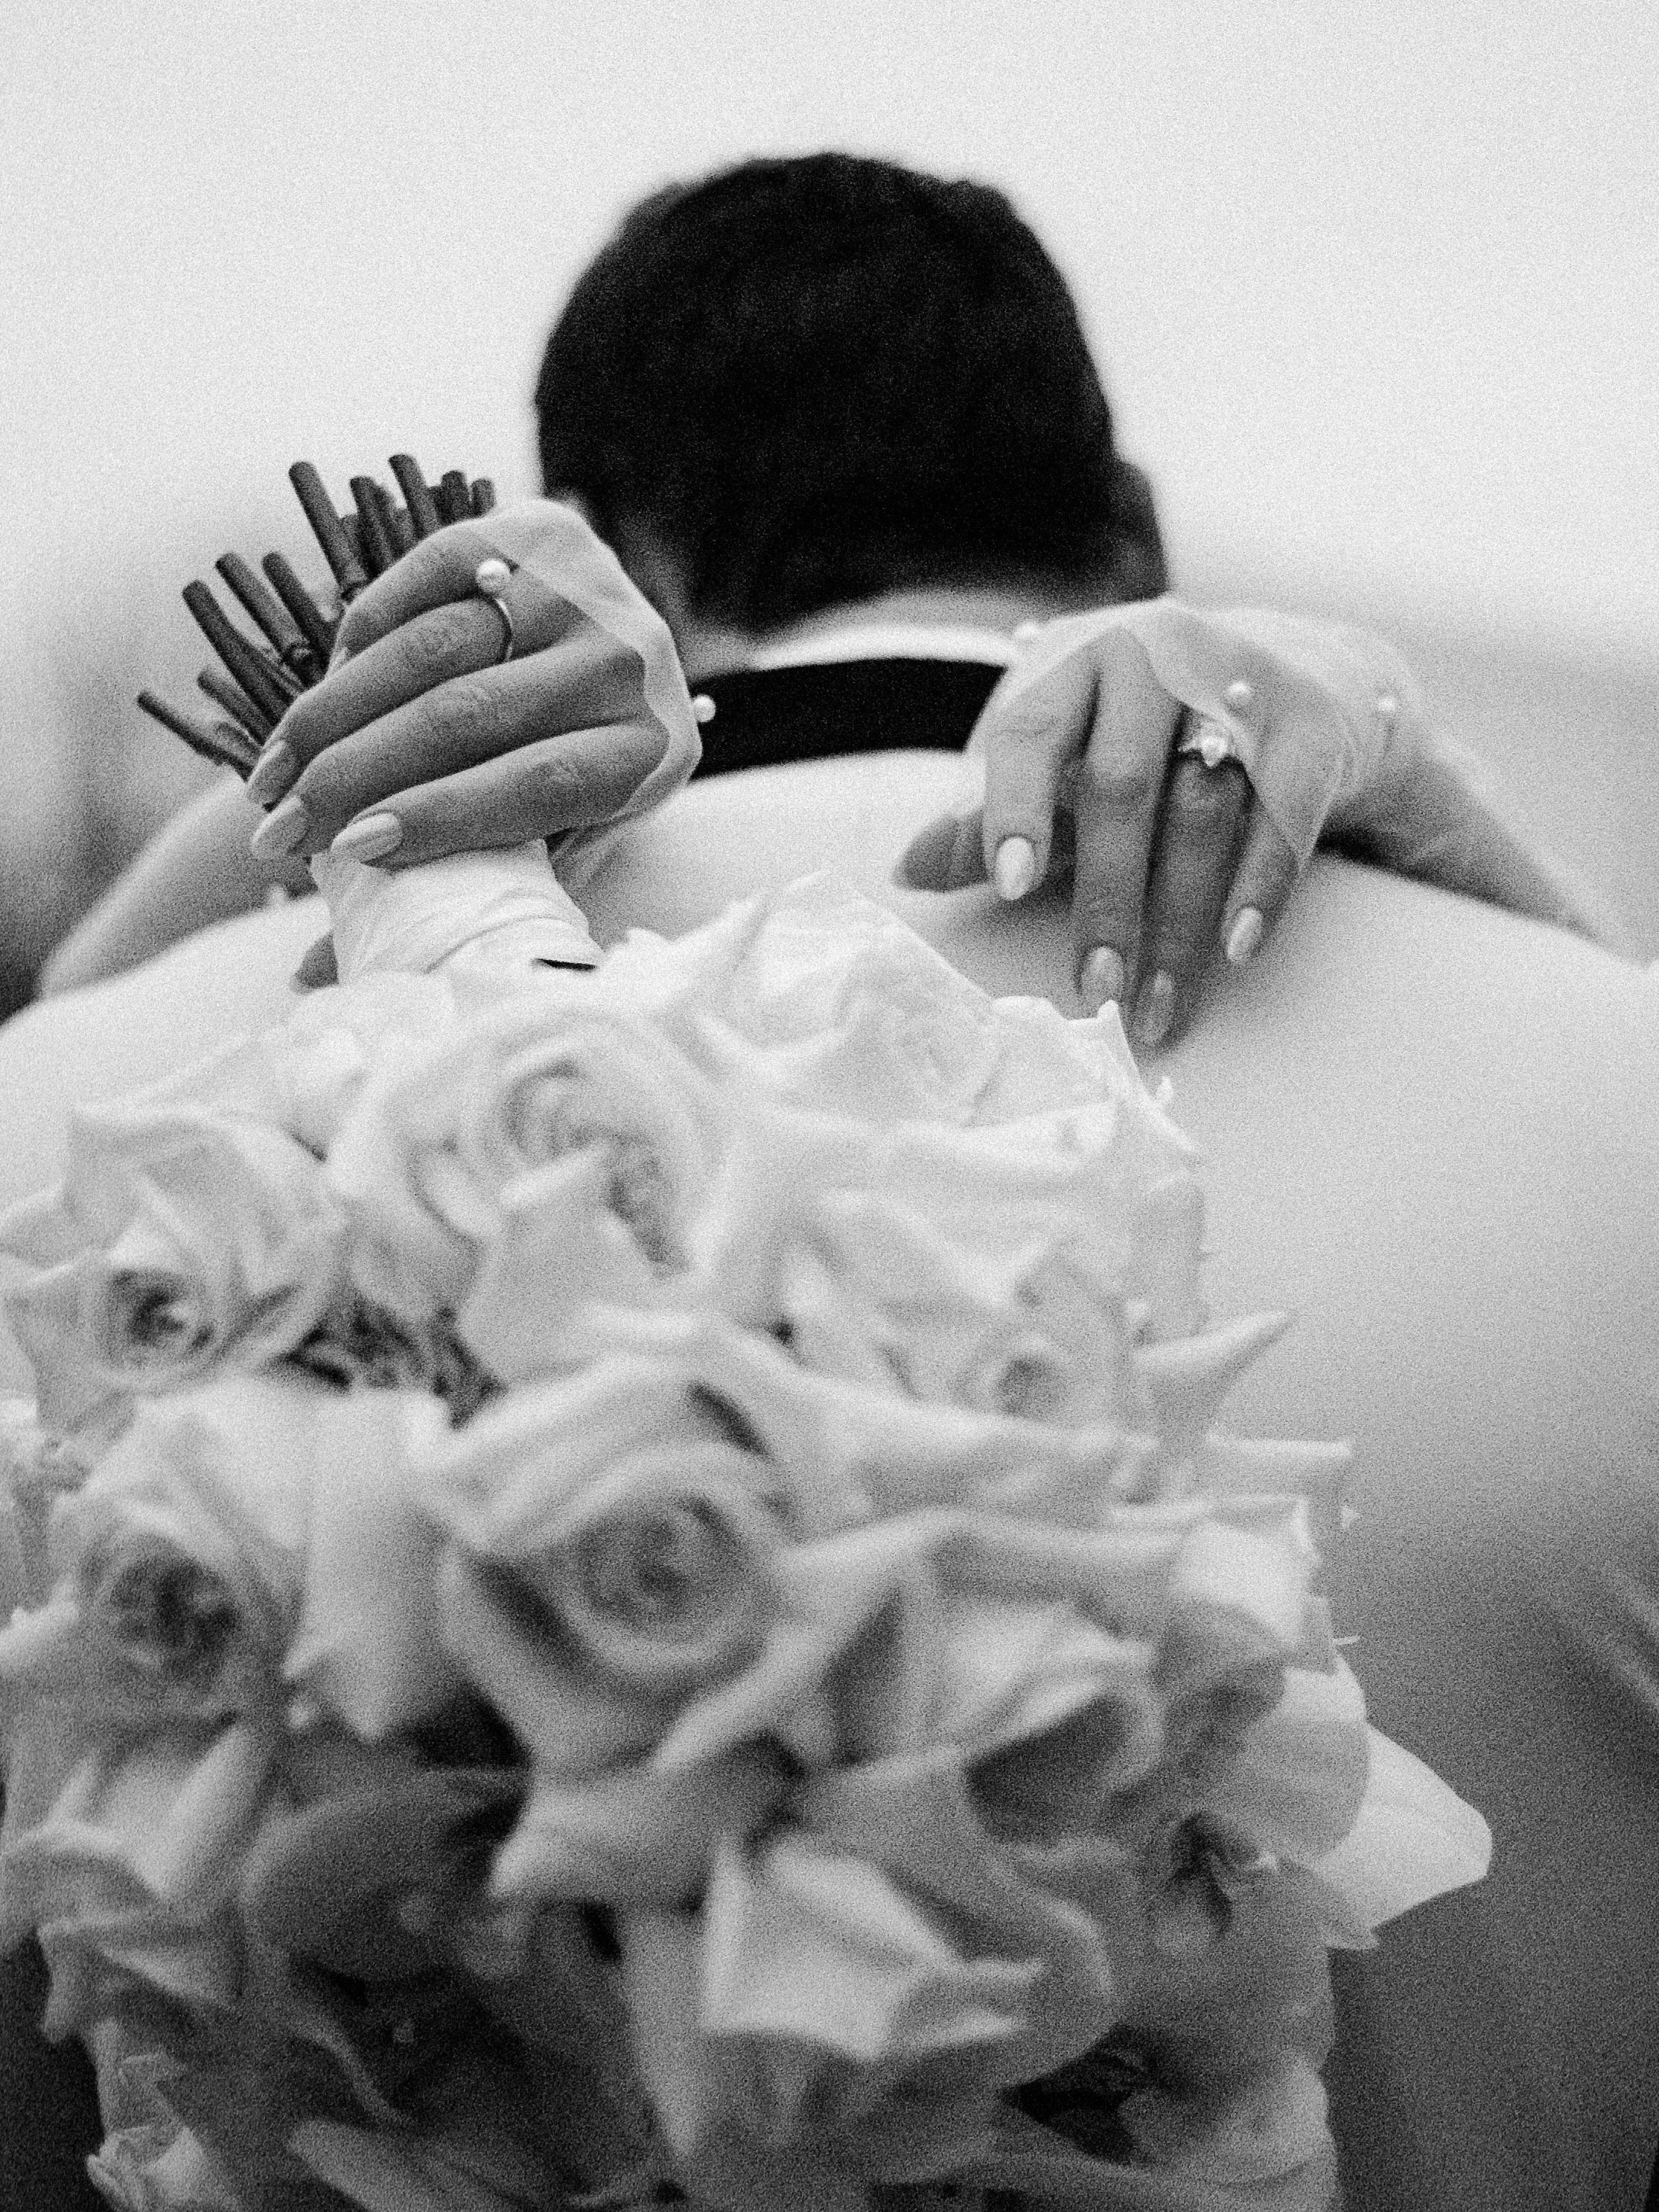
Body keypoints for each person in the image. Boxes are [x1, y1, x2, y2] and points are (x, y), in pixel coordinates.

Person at [6, 153, 1652, 2211]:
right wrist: (1454, 805)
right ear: (1127, 530)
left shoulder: (83, 1129)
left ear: (610, 548)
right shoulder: (1614, 1081)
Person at [39, 159, 1607, 1033]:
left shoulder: (161, 1071)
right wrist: (1408, 753)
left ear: (620, 569)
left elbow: (57, 1030)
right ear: (1129, 538)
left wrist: (328, 790)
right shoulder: (1581, 1051)